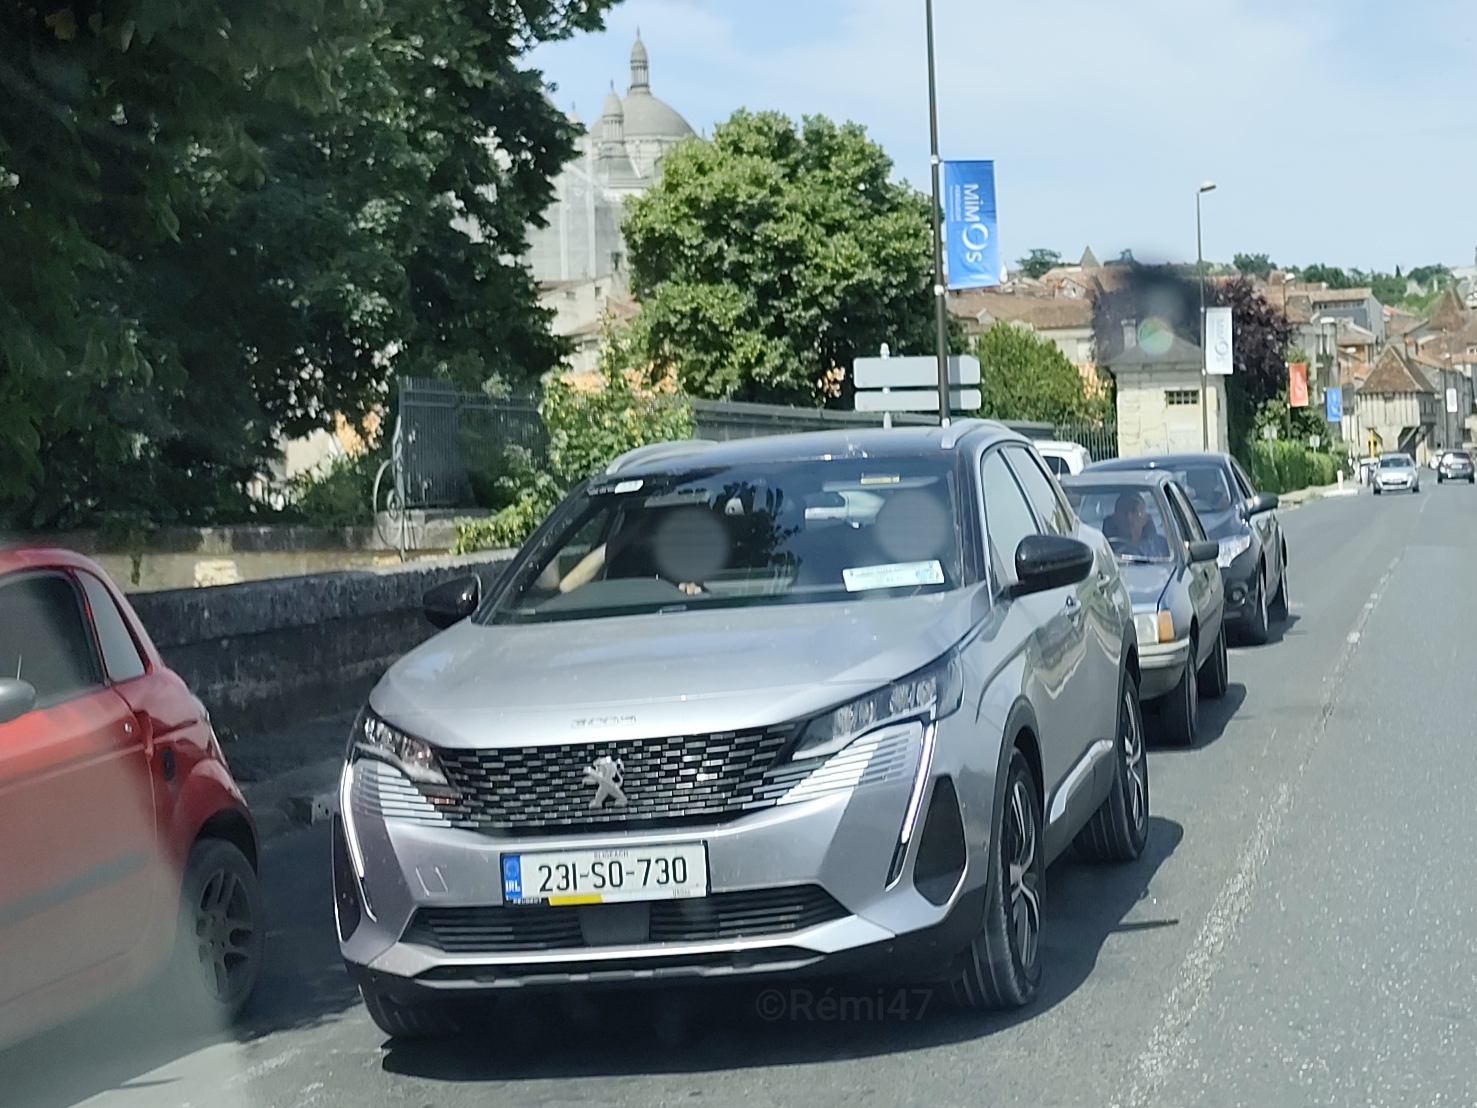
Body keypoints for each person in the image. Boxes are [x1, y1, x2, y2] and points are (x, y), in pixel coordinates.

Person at [1102, 492, 1169, 558]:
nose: (1129, 517)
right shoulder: (1103, 548)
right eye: (1124, 511)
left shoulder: (1161, 546)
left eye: (1134, 511)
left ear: (1145, 518)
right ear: (1115, 518)